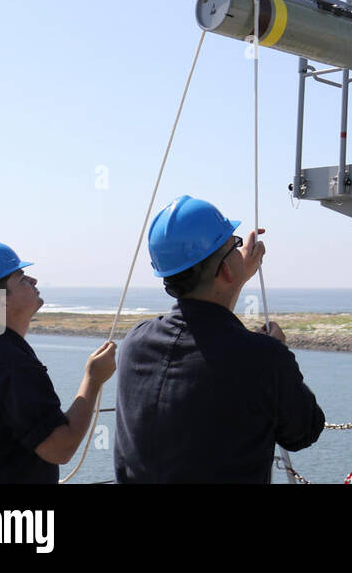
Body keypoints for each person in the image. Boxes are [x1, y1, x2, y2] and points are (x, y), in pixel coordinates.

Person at [112, 195, 325, 483]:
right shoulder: (263, 358)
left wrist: (234, 274)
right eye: (233, 245)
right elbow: (303, 431)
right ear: (225, 270)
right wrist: (279, 353)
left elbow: (206, 331)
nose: (240, 249)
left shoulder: (135, 343)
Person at [0, 238, 116, 483]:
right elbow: (60, 447)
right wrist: (93, 379)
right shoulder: (11, 363)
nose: (34, 281)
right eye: (21, 278)